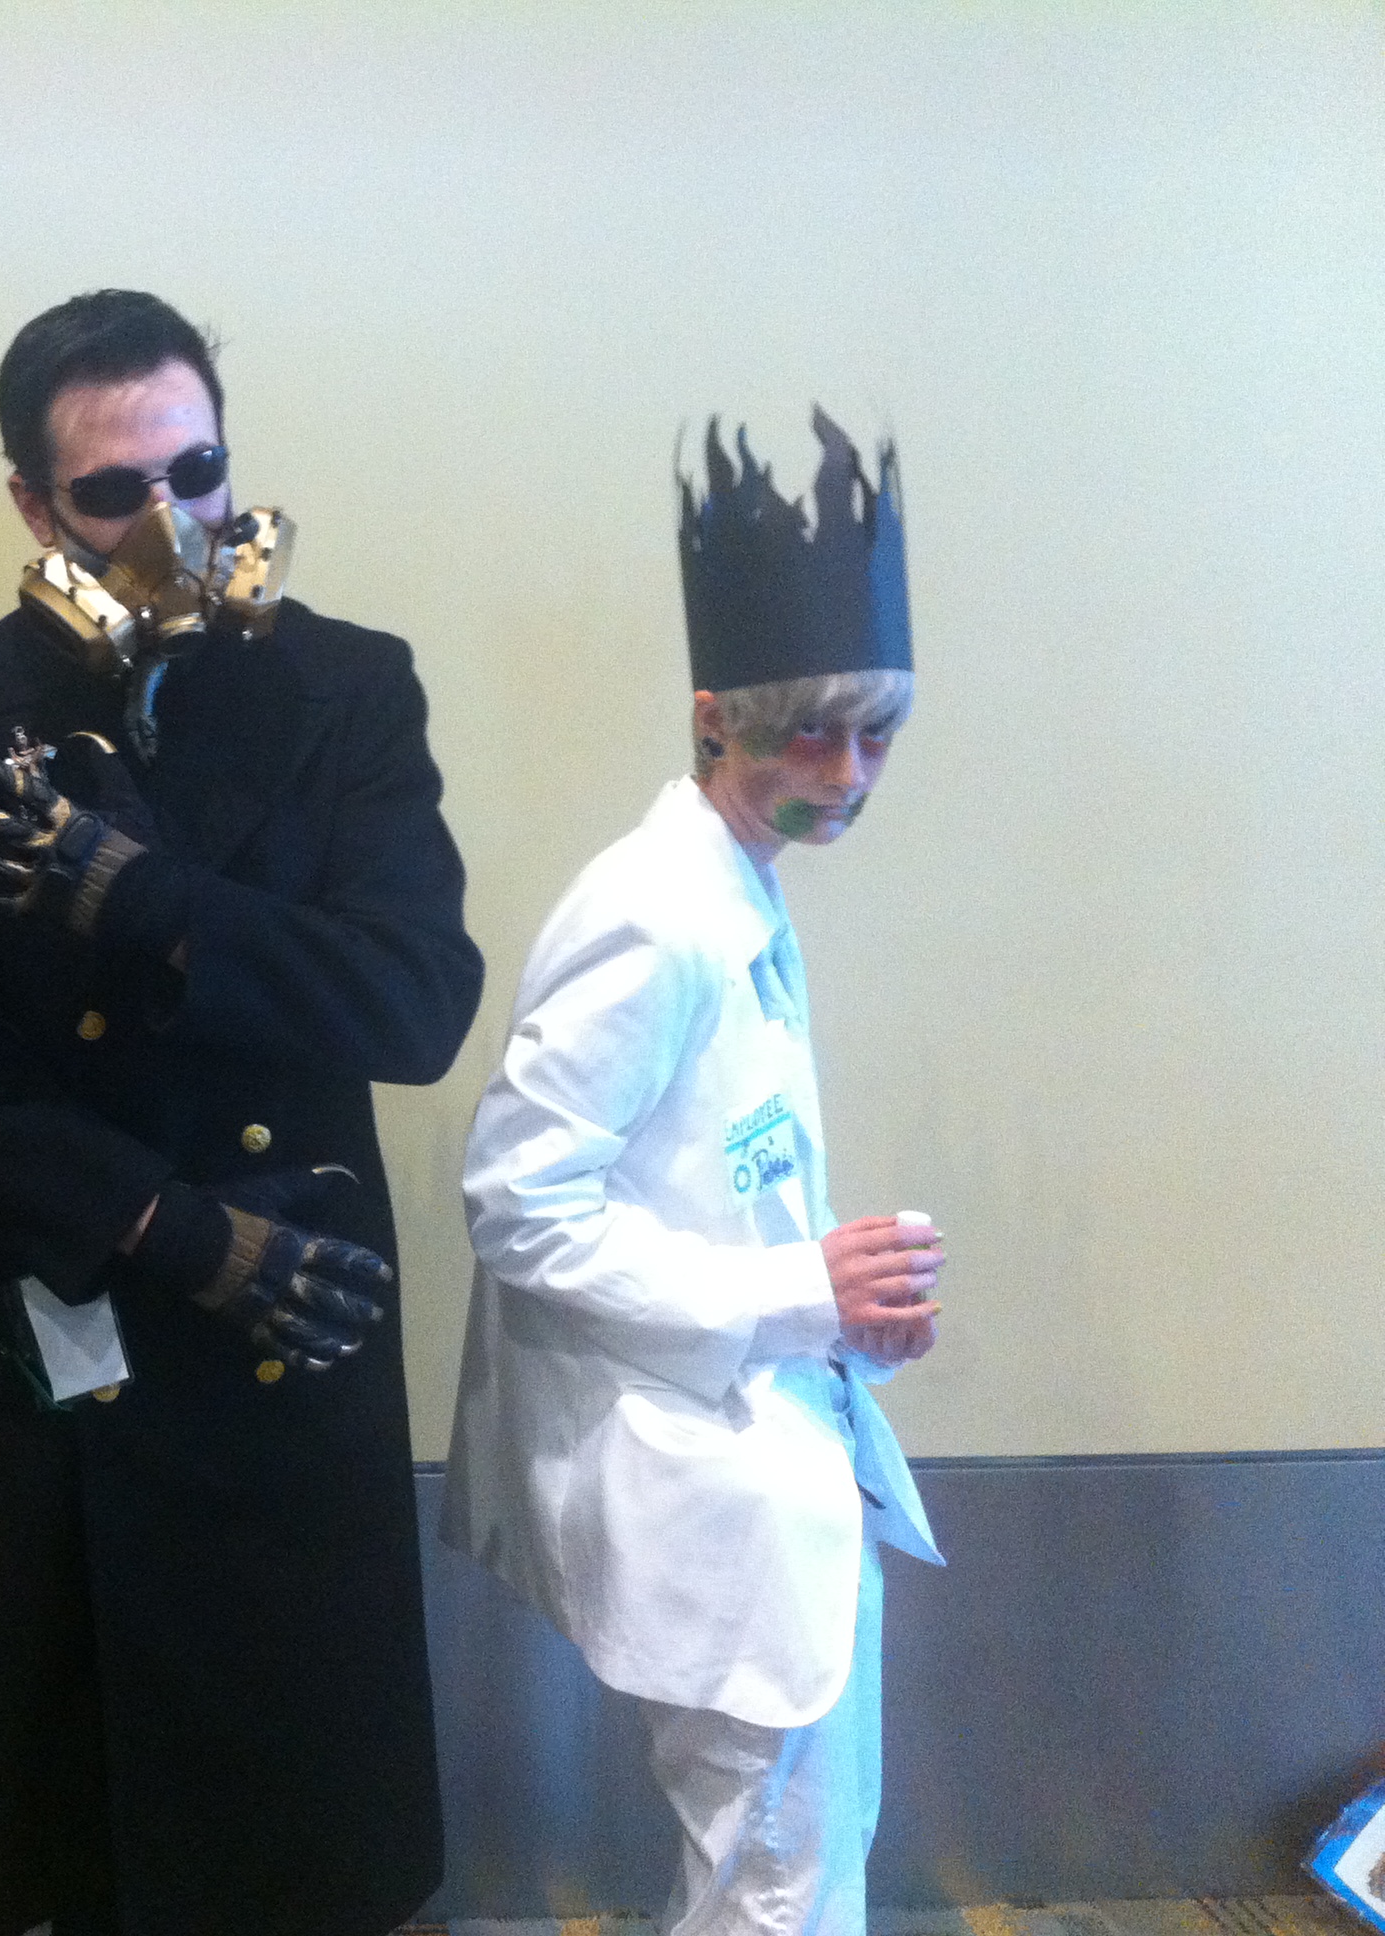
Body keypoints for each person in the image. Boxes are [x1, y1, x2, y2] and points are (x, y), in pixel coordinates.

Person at [0, 288, 484, 1936]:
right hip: (85, 1306)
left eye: (197, 472)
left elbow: (416, 1000)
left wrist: (142, 899)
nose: (171, 523)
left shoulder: (348, 687)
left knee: (299, 1821)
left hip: (301, 1312)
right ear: (33, 505)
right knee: (94, 1836)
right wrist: (169, 1228)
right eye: (115, 490)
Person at [441, 409, 946, 1936]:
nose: (846, 774)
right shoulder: (656, 917)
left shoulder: (740, 893)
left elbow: (706, 1174)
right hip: (705, 1488)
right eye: (809, 735)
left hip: (767, 1458)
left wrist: (842, 1306)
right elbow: (519, 1204)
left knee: (791, 1862)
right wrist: (798, 1291)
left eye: (875, 735)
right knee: (773, 1883)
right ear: (715, 721)